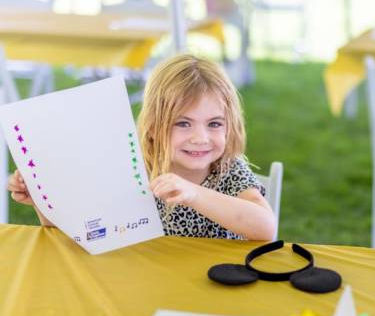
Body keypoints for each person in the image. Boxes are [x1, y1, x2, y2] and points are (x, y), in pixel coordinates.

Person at [8, 54, 276, 241]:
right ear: (153, 125)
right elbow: (81, 233)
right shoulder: (131, 165)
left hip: (213, 284)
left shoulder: (227, 168)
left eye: (214, 124)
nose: (200, 137)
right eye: (183, 123)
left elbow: (265, 228)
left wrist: (193, 194)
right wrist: (42, 200)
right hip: (142, 280)